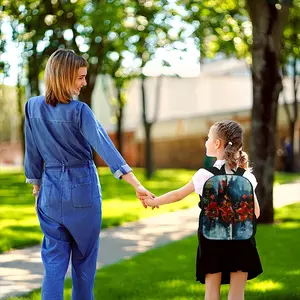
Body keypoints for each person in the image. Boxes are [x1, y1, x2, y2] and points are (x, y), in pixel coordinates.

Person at [24, 48, 153, 300]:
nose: (85, 83)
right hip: (82, 191)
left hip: (49, 193)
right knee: (83, 265)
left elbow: (32, 153)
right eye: (80, 77)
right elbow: (107, 148)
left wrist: (37, 188)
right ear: (64, 77)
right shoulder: (79, 111)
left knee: (53, 265)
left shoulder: (32, 107)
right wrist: (136, 184)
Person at [144, 120, 263, 300]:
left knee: (211, 294)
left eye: (208, 138)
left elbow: (178, 195)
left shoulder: (205, 175)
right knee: (237, 295)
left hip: (212, 243)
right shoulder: (246, 176)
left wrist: (154, 201)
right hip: (241, 242)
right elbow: (256, 213)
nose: (206, 142)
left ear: (217, 144)